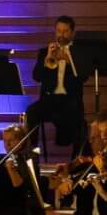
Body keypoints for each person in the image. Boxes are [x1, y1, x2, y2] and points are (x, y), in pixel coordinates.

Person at [26, 16, 86, 156]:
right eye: (59, 31)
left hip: (70, 99)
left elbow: (84, 77)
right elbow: (36, 77)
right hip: (49, 99)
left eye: (65, 31)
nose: (61, 35)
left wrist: (70, 62)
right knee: (32, 112)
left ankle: (76, 158)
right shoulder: (45, 52)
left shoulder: (79, 53)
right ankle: (33, 153)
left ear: (72, 33)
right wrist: (47, 58)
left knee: (77, 117)